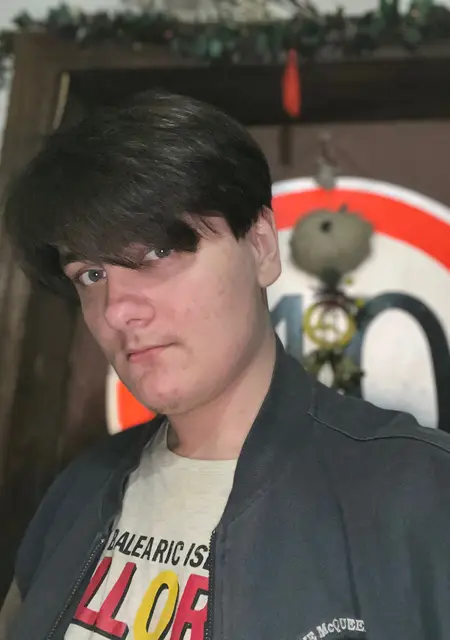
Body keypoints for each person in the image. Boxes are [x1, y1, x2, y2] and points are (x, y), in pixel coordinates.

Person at [1, 90, 450, 640]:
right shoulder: (77, 492)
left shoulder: (423, 495)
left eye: (158, 252)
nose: (117, 310)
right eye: (91, 275)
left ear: (260, 246)